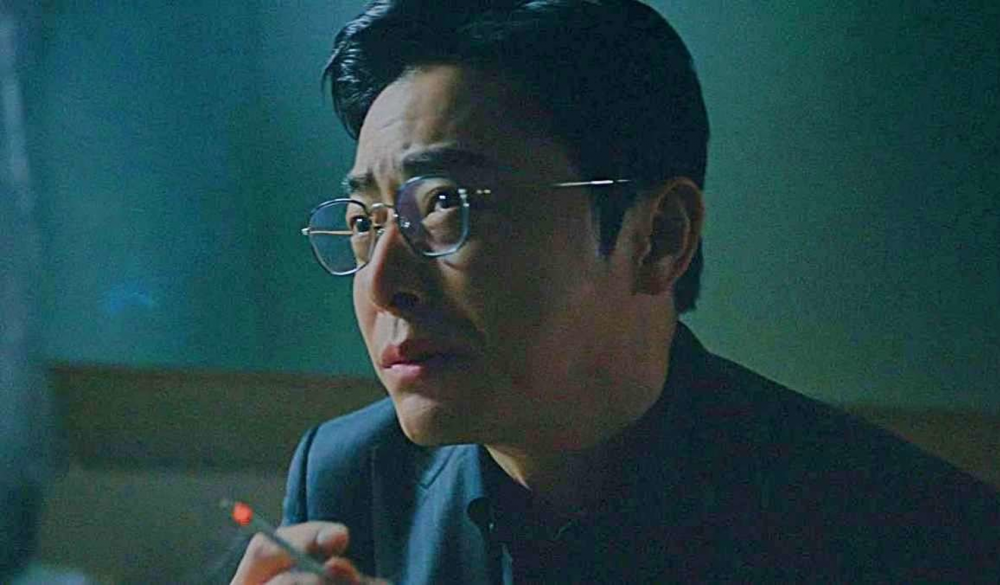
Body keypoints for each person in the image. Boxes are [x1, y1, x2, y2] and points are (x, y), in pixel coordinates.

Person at [231, 0, 1000, 582]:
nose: (382, 281)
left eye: (445, 204)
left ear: (658, 236)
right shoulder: (352, 478)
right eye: (364, 220)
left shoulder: (906, 532)